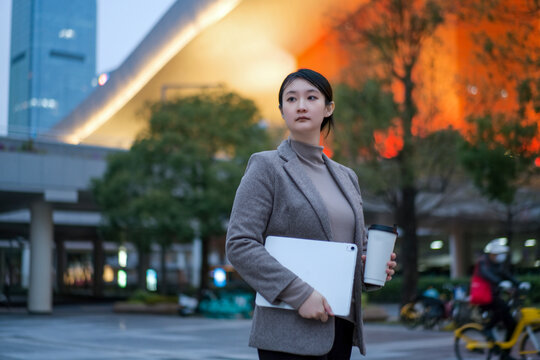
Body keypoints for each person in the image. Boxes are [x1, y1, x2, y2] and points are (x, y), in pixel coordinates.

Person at [226, 68, 397, 359]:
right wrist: (298, 293)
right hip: (288, 330)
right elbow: (239, 244)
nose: (301, 105)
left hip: (340, 329)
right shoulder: (267, 167)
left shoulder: (347, 177)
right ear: (282, 111)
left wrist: (370, 271)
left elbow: (350, 248)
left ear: (328, 108)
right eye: (291, 99)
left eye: (311, 97)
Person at [474, 239, 519, 360]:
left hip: (494, 297)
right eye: (499, 254)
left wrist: (519, 284)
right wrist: (500, 282)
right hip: (483, 298)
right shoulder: (483, 262)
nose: (501, 257)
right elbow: (486, 274)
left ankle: (504, 354)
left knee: (512, 325)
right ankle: (487, 328)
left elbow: (507, 275)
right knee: (503, 307)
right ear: (492, 254)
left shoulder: (498, 265)